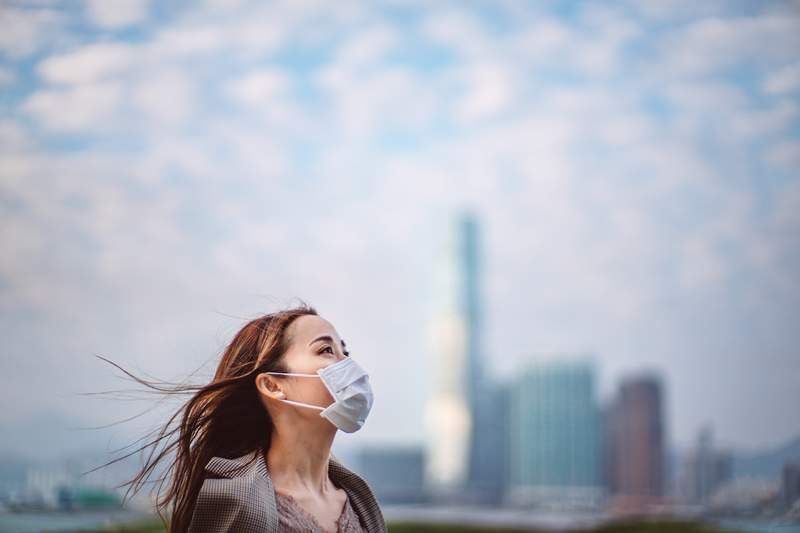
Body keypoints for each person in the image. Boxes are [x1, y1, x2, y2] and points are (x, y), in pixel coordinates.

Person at [100, 303, 385, 533]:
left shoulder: (357, 500)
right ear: (273, 385)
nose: (347, 363)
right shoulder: (237, 505)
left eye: (345, 351)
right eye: (326, 350)